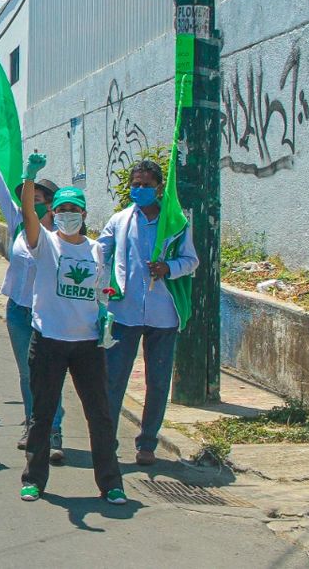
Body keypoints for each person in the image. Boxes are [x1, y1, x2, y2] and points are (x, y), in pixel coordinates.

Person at [18, 152, 126, 506]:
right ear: (53, 214)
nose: (67, 216)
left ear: (84, 215)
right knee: (42, 414)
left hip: (87, 345)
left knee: (100, 415)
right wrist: (30, 177)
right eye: (61, 210)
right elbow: (27, 215)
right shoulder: (46, 243)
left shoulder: (97, 251)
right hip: (49, 340)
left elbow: (102, 293)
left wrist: (105, 313)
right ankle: (34, 479)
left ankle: (110, 483)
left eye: (73, 211)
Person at [99, 159, 199, 466]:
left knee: (157, 381)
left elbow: (191, 261)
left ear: (158, 188)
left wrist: (169, 268)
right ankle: (106, 441)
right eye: (135, 184)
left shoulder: (176, 223)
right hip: (125, 312)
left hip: (162, 314)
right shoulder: (119, 221)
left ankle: (147, 443)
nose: (139, 189)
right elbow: (98, 253)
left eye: (145, 185)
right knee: (113, 379)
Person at [0, 132, 67, 462]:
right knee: (28, 373)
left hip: (51, 312)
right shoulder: (18, 221)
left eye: (42, 197)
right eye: (33, 195)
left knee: (52, 374)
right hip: (19, 311)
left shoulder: (63, 234)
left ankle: (54, 429)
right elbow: (0, 187)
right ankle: (34, 426)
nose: (35, 200)